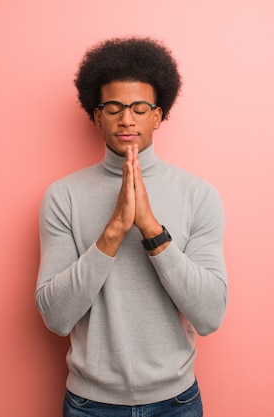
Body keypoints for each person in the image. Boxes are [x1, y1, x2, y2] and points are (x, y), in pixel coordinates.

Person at [35, 36, 228, 417]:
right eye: (114, 108)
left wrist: (152, 230)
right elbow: (56, 318)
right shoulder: (63, 197)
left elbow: (210, 315)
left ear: (158, 116)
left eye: (140, 108)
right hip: (91, 404)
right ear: (96, 115)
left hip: (177, 402)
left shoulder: (199, 195)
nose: (127, 119)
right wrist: (112, 233)